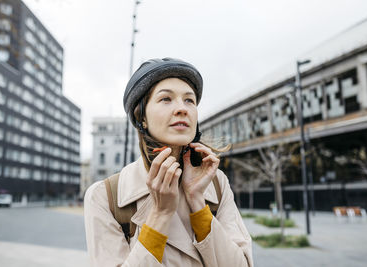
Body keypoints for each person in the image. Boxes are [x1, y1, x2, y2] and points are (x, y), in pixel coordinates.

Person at [84, 58, 253, 267]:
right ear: (141, 118)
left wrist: (198, 203)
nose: (182, 108)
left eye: (189, 100)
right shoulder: (106, 197)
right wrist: (160, 214)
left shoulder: (217, 184)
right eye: (166, 99)